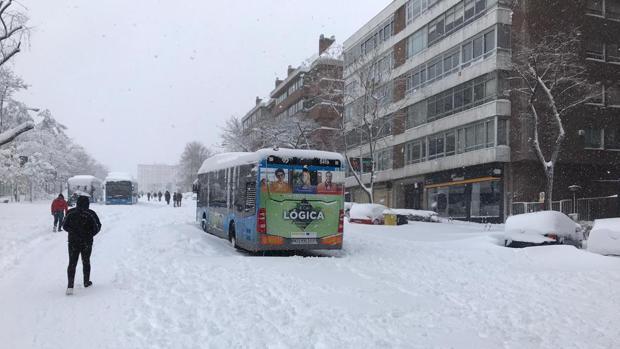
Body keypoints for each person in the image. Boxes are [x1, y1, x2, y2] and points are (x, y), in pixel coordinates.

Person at [62, 196, 101, 295]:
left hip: (73, 242)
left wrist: (73, 232)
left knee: (72, 263)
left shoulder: (70, 212)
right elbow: (98, 227)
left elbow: (64, 225)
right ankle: (86, 282)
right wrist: (89, 234)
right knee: (86, 261)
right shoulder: (91, 213)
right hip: (86, 242)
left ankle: (70, 286)